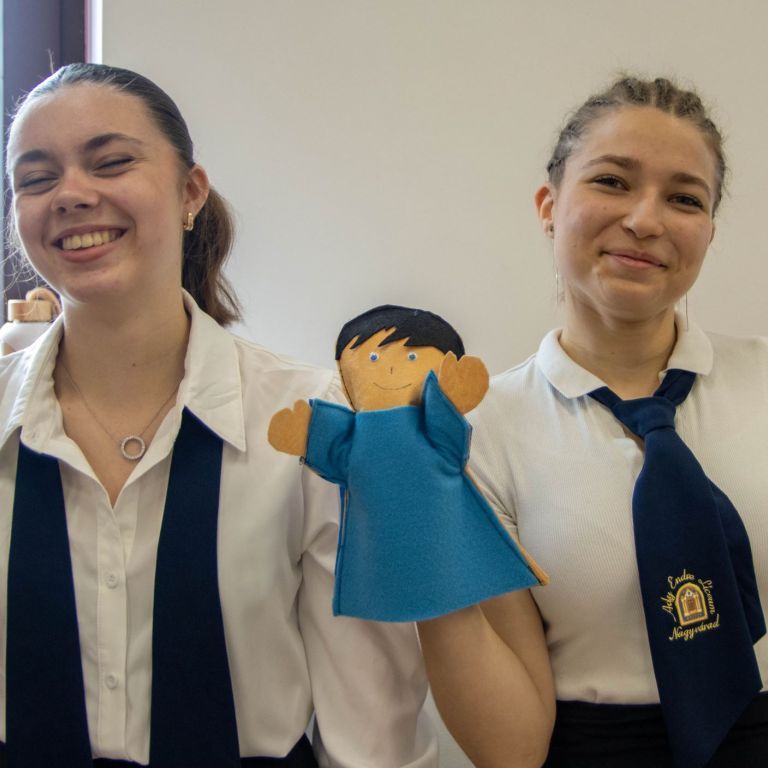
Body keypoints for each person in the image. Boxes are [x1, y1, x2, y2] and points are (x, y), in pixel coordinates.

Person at [0, 63, 436, 767]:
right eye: (36, 178)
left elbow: (372, 734)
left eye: (111, 162)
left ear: (190, 192)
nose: (71, 194)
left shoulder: (314, 424)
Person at [417, 76, 768, 768]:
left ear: (709, 231)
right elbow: (512, 748)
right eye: (612, 182)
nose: (645, 220)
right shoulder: (476, 435)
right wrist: (413, 530)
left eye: (684, 199)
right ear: (549, 206)